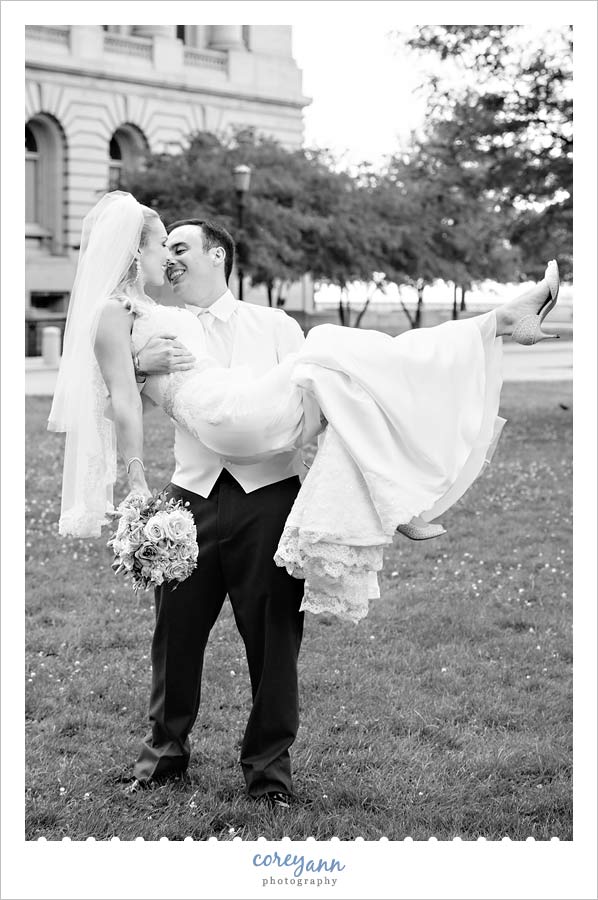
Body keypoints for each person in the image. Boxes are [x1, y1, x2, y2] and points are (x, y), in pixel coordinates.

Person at [48, 192, 560, 800]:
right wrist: (135, 368)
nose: (173, 259)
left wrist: (377, 501)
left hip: (269, 495)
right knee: (174, 639)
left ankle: (267, 775)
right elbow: (112, 386)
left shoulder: (276, 325)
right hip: (190, 497)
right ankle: (163, 758)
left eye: (182, 247)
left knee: (275, 642)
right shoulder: (155, 317)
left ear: (218, 254)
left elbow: (328, 417)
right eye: (166, 247)